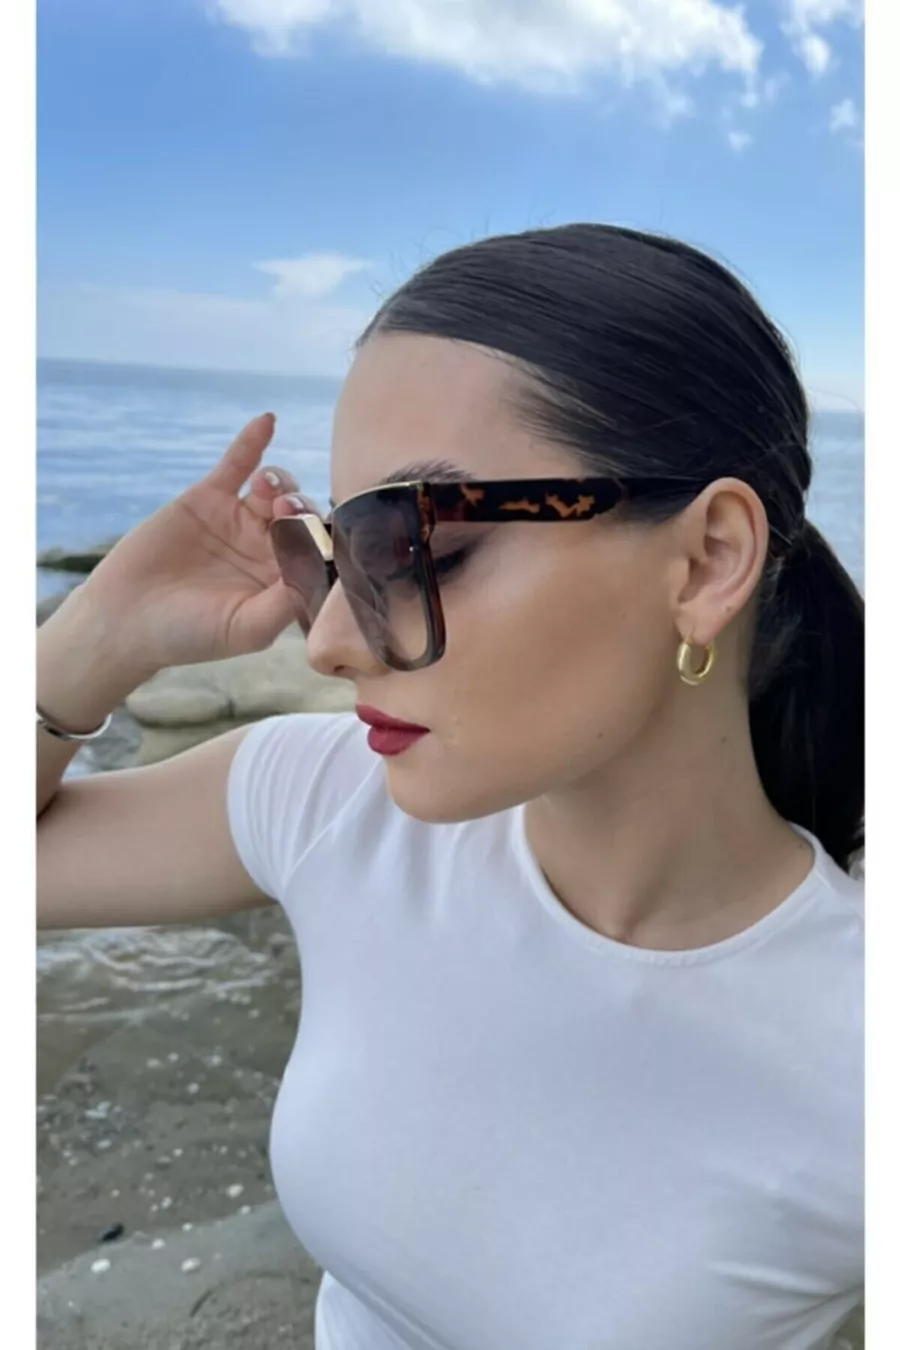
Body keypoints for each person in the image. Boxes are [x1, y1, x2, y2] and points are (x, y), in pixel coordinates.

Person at [37, 224, 864, 1350]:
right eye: (333, 552)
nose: (329, 640)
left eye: (419, 547)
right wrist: (100, 634)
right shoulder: (328, 802)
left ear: (709, 558)